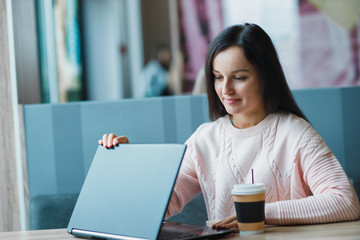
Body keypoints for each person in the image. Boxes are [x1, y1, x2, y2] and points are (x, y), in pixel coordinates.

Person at [99, 23, 360, 230]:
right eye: (218, 77)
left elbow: (346, 202)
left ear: (265, 77)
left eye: (239, 78)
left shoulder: (296, 134)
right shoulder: (205, 139)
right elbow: (159, 206)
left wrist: (259, 214)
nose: (226, 90)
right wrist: (126, 167)